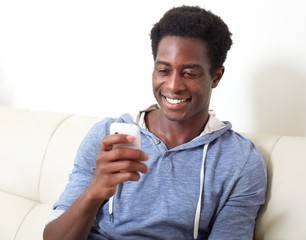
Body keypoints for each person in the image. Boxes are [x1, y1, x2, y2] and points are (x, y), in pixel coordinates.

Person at [43, 5, 267, 240]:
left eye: (189, 73)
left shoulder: (241, 161)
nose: (173, 85)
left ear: (216, 76)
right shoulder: (106, 136)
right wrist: (94, 193)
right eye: (163, 70)